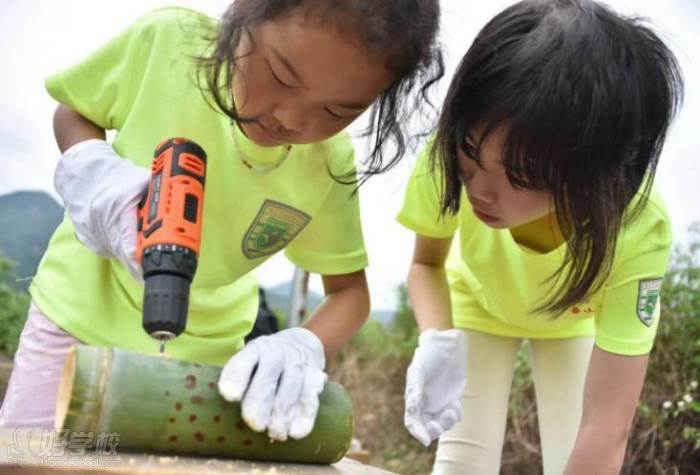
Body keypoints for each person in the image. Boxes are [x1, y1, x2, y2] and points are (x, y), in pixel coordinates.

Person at [0, 0, 443, 444]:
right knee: (32, 457)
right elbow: (74, 111)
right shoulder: (167, 44)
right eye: (282, 76)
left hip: (210, 363)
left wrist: (300, 345)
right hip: (75, 319)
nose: (291, 118)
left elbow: (349, 295)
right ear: (245, 14)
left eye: (336, 111)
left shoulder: (329, 163)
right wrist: (94, 170)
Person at [397, 1, 683, 473]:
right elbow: (426, 264)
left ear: (591, 176)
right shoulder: (445, 154)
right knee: (462, 461)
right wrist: (437, 339)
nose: (480, 192)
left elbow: (607, 427)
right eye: (470, 158)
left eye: (519, 174)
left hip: (570, 320)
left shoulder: (636, 225)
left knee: (575, 451)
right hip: (478, 306)